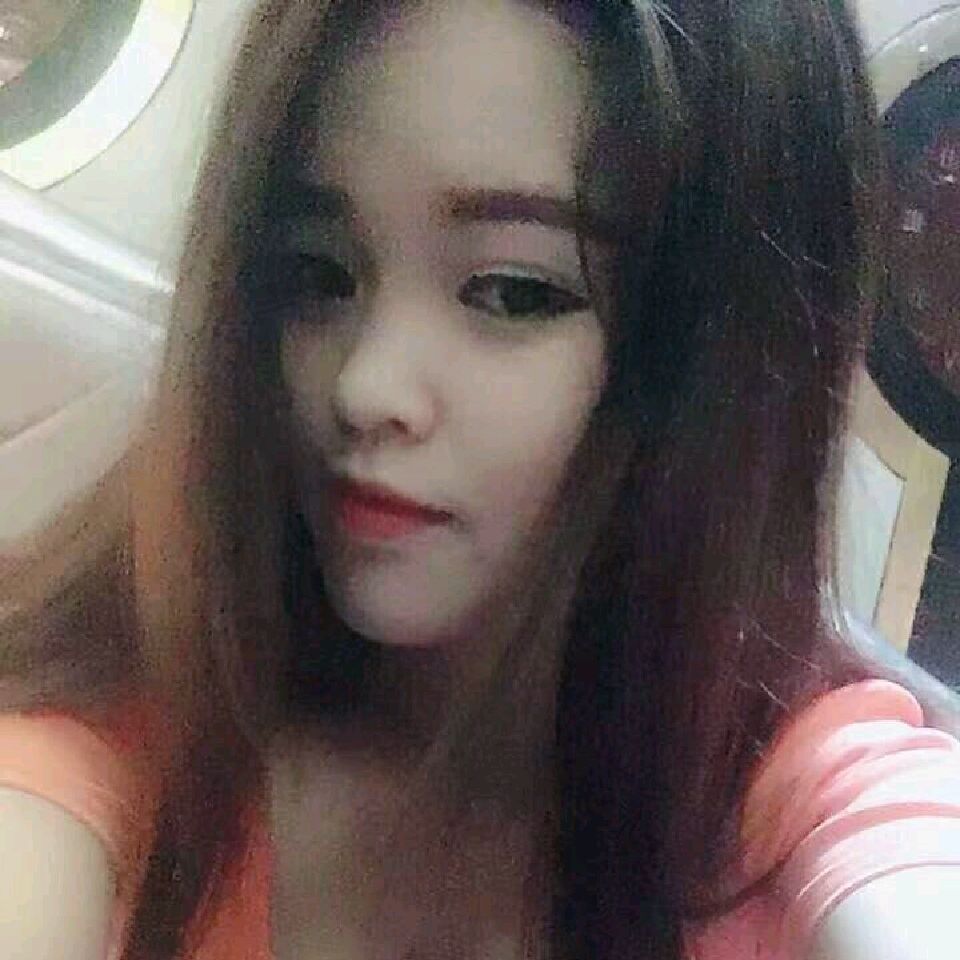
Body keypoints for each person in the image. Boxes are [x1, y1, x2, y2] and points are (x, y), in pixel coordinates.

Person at [0, 1, 959, 958]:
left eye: (513, 292)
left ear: (724, 362)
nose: (365, 385)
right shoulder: (121, 725)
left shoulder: (797, 800)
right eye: (318, 273)